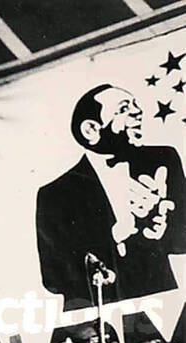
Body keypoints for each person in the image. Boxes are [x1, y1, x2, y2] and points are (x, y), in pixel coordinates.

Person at [36, 83, 185, 311]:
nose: (138, 111)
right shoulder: (54, 194)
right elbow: (54, 278)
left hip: (162, 306)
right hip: (98, 319)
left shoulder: (164, 159)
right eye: (124, 108)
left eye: (136, 104)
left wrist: (163, 228)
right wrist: (115, 236)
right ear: (91, 130)